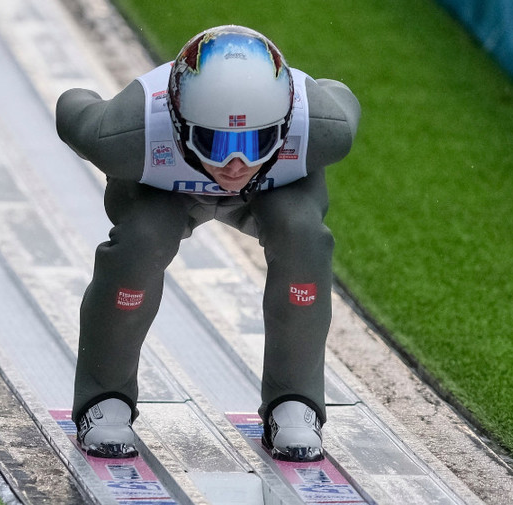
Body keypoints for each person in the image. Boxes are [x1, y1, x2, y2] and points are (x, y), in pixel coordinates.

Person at [55, 25, 360, 462]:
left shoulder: (324, 128)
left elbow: (335, 95)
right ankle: (104, 397)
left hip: (274, 190)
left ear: (288, 123)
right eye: (215, 142)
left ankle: (295, 400)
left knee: (304, 238)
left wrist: (219, 147)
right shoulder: (123, 134)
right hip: (162, 191)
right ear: (175, 121)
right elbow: (74, 109)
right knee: (141, 241)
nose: (234, 166)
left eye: (255, 140)